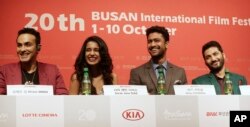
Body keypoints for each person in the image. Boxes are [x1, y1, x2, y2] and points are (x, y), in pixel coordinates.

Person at [0, 27, 68, 95]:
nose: (22, 49)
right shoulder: (4, 71)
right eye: (19, 45)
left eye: (28, 45)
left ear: (38, 48)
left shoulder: (53, 71)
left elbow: (63, 98)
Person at [129, 25, 187, 95]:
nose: (152, 44)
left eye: (157, 40)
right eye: (149, 41)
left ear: (166, 44)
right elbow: (133, 101)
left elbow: (185, 100)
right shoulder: (137, 73)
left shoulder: (180, 72)